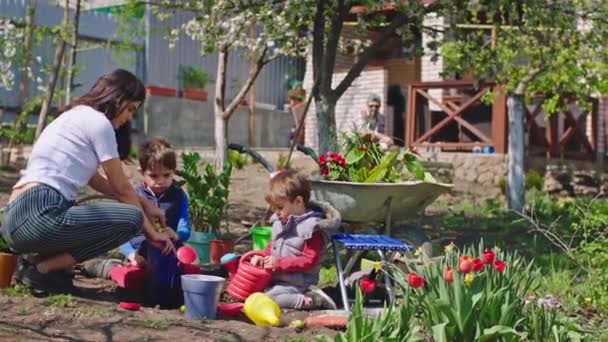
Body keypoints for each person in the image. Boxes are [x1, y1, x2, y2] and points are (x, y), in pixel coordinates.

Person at [0, 69, 176, 294]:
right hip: (38, 212)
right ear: (117, 98)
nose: (129, 117)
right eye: (130, 108)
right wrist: (153, 233)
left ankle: (33, 262)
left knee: (112, 216)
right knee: (130, 219)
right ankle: (42, 269)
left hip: (13, 218)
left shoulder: (73, 116)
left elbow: (96, 180)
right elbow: (122, 188)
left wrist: (143, 202)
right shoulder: (99, 123)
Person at [251, 169, 341, 310]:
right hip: (277, 279)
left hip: (298, 283)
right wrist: (262, 257)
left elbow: (309, 261)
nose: (277, 213)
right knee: (254, 293)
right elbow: (271, 246)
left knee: (271, 299)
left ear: (298, 201)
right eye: (274, 208)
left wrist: (278, 263)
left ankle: (312, 299)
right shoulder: (279, 222)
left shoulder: (311, 228)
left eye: (280, 207)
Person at [119, 137, 190, 267]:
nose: (160, 181)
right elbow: (122, 234)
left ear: (173, 171)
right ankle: (105, 268)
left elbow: (184, 228)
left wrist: (177, 235)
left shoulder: (178, 196)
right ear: (142, 172)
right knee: (132, 280)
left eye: (166, 175)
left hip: (169, 253)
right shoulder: (135, 197)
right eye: (153, 176)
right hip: (139, 255)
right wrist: (130, 255)